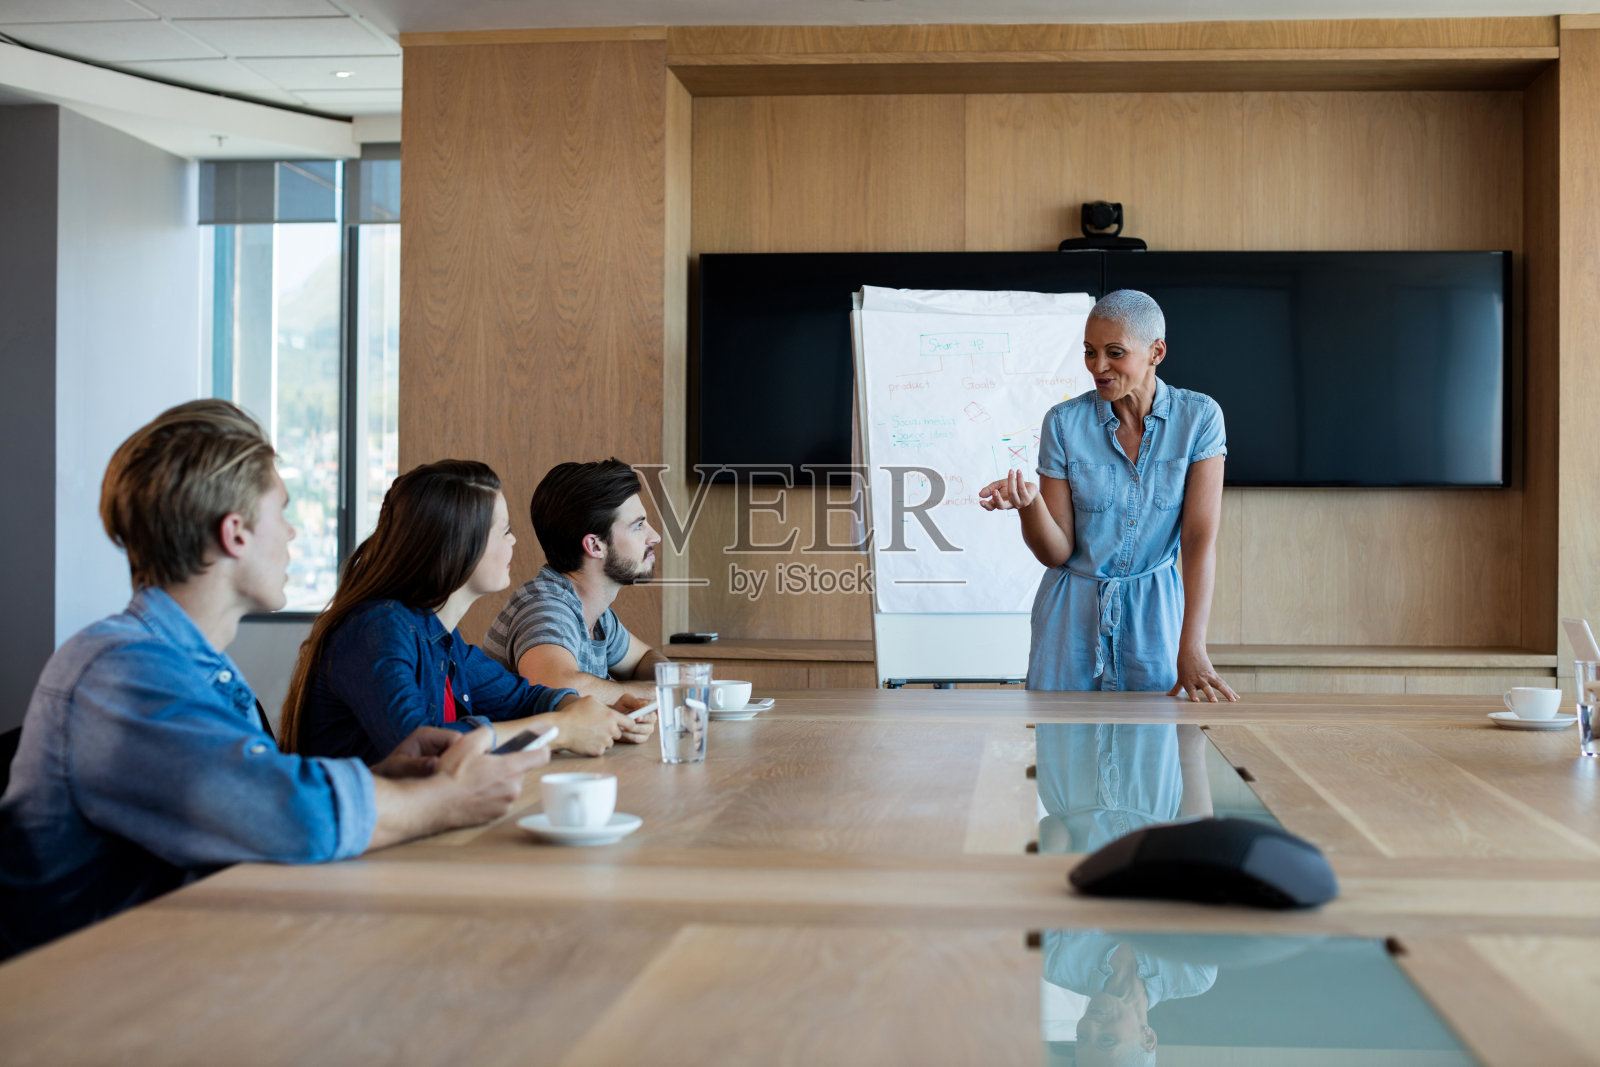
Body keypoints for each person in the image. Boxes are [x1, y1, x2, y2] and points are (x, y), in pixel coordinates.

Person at [0, 401, 550, 960]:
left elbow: (248, 789)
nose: (291, 533)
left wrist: (381, 774)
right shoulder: (120, 671)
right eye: (281, 512)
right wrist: (444, 800)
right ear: (235, 532)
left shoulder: (190, 666)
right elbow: (289, 814)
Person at [279, 460, 653, 762]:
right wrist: (561, 728)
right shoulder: (378, 631)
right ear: (462, 545)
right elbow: (421, 746)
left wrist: (581, 709)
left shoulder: (442, 639)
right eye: (503, 531)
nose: (514, 541)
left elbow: (523, 697)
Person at [980, 290, 1237, 702]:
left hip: (1155, 622)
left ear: (1157, 351)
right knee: (1064, 757)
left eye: (1115, 352)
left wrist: (1192, 646)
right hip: (1069, 625)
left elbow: (1198, 539)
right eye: (1089, 351)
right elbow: (1057, 552)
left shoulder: (1200, 418)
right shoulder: (1063, 424)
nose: (1098, 367)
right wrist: (1030, 506)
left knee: (1153, 757)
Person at [484, 459, 668, 704]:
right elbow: (558, 686)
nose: (654, 536)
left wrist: (675, 679)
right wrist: (664, 693)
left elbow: (643, 658)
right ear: (595, 545)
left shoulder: (598, 617)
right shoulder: (544, 607)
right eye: (638, 526)